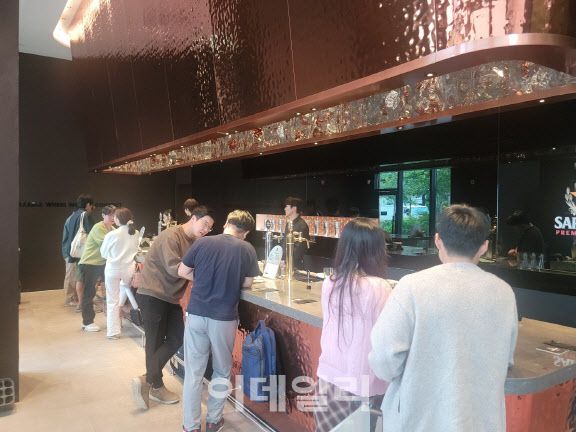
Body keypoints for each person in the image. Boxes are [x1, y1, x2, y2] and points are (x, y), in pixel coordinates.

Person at [368, 204, 518, 432]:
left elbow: (384, 361)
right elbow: (506, 360)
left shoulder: (412, 286)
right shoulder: (504, 292)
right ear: (484, 247)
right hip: (480, 423)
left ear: (438, 240)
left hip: (418, 422)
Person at [178, 210, 259, 432]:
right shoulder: (247, 249)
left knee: (193, 372)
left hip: (196, 314)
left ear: (226, 223)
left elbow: (182, 271)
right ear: (246, 232)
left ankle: (191, 426)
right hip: (223, 319)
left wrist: (204, 278)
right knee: (221, 371)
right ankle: (214, 421)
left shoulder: (202, 242)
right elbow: (248, 283)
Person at [132, 205, 214, 410]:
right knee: (154, 342)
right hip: (153, 294)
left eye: (210, 228)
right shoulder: (172, 236)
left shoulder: (195, 242)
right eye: (204, 224)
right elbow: (175, 268)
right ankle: (156, 386)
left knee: (177, 338)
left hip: (170, 298)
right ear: (194, 218)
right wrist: (209, 279)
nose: (206, 230)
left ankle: (147, 380)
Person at [315, 218, 392, 432]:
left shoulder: (330, 282)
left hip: (328, 376)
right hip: (362, 382)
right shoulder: (380, 287)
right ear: (375, 250)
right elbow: (388, 335)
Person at [100, 207, 140, 340]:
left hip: (113, 269)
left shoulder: (112, 234)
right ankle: (121, 309)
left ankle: (113, 332)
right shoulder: (136, 233)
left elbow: (103, 253)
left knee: (112, 300)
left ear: (117, 219)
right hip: (128, 269)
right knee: (125, 289)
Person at [78, 205, 116, 332]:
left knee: (111, 290)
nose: (112, 217)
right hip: (90, 263)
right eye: (110, 215)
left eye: (114, 215)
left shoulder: (113, 229)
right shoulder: (98, 227)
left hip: (102, 263)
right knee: (89, 293)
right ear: (103, 215)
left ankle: (112, 318)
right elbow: (106, 245)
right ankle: (87, 322)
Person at [61, 194, 95, 308]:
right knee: (75, 276)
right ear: (88, 205)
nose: (93, 208)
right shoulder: (85, 216)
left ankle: (74, 298)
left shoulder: (71, 216)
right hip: (76, 253)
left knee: (72, 275)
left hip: (69, 251)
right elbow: (92, 234)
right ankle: (71, 299)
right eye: (92, 205)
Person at [284, 196, 310, 270]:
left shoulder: (302, 225)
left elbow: (299, 250)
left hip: (296, 266)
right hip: (286, 263)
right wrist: (282, 259)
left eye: (287, 206)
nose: (284, 209)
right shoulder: (288, 224)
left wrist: (287, 261)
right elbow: (284, 243)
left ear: (294, 208)